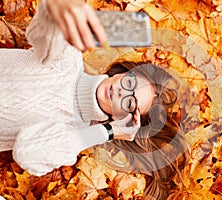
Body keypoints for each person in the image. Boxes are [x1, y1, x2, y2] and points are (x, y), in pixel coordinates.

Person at [0, 0, 189, 199]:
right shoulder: (68, 60)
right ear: (123, 72)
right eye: (129, 82)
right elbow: (47, 24)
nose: (120, 92)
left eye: (130, 103)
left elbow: (26, 153)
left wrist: (107, 131)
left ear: (122, 119)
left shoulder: (74, 135)